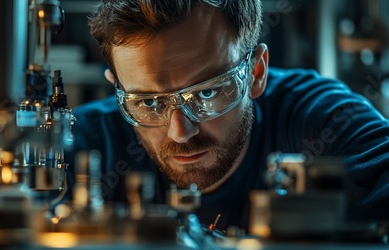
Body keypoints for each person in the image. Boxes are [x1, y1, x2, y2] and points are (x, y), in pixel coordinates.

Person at [62, 0, 389, 231]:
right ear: (117, 87)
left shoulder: (324, 121)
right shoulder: (84, 143)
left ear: (256, 71)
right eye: (149, 102)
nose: (180, 131)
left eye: (207, 92)